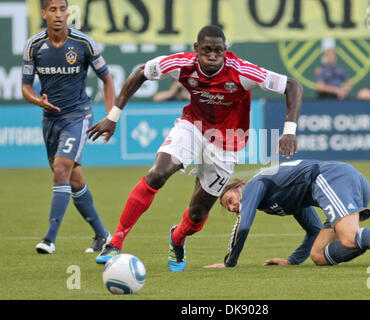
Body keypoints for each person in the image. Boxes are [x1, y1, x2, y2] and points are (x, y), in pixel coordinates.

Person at [87, 25, 304, 271]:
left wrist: (289, 131)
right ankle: (115, 242)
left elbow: (293, 85)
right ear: (196, 49)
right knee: (157, 174)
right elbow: (140, 72)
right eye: (207, 50)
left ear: (225, 51)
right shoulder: (180, 64)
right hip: (192, 128)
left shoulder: (242, 72)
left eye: (219, 51)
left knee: (198, 214)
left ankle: (177, 239)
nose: (213, 56)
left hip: (228, 143)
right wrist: (113, 117)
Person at [204, 160, 370, 269]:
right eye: (230, 208)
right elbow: (313, 229)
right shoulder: (274, 201)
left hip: (331, 178)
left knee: (348, 237)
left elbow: (243, 227)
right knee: (319, 255)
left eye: (231, 200)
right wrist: (292, 261)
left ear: (240, 186)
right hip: (335, 185)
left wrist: (229, 263)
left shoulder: (256, 184)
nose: (234, 207)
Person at [21, 0, 115, 254]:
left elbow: (107, 79)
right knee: (73, 179)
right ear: (44, 14)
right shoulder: (34, 45)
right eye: (52, 9)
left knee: (61, 169)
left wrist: (111, 116)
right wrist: (36, 100)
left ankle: (49, 240)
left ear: (68, 12)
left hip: (78, 116)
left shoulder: (83, 43)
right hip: (50, 120)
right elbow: (26, 86)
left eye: (62, 9)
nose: (59, 14)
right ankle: (103, 236)